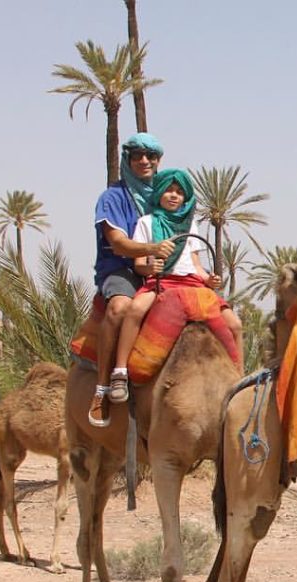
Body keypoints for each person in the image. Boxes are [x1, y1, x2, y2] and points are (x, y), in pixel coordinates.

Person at [107, 168, 243, 404]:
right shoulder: (147, 223)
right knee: (135, 310)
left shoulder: (190, 226)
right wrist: (151, 269)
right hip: (161, 282)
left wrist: (209, 280)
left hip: (193, 285)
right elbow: (140, 264)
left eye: (179, 192)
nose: (174, 195)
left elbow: (197, 266)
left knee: (235, 324)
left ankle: (240, 380)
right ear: (159, 192)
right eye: (169, 190)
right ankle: (120, 371)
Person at [89, 133, 175, 428]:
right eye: (137, 155)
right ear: (127, 159)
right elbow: (119, 244)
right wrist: (151, 250)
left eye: (151, 156)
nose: (144, 161)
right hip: (121, 269)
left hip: (161, 269)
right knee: (121, 307)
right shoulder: (112, 198)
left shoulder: (164, 198)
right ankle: (102, 388)